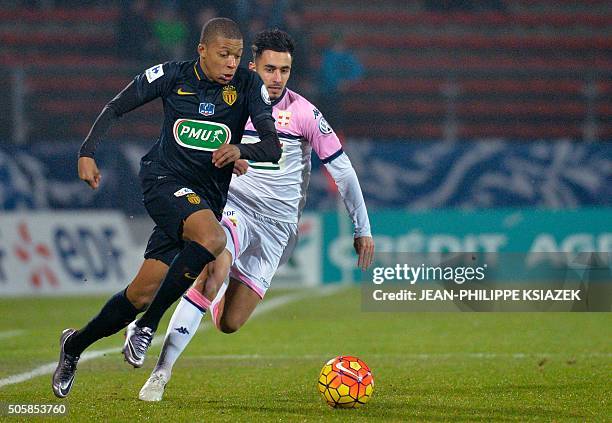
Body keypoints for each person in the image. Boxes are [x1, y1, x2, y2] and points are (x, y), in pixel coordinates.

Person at [137, 28, 375, 402]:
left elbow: (342, 170)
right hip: (235, 210)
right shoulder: (231, 105)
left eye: (284, 70)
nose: (277, 78)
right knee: (212, 272)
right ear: (252, 67)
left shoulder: (305, 113)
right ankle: (160, 373)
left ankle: (205, 298)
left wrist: (363, 228)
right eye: (269, 69)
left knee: (230, 323)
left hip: (278, 228)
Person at [52, 17, 282, 399]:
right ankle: (148, 327)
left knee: (140, 294)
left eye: (238, 56)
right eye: (224, 54)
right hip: (163, 181)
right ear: (202, 50)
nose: (231, 63)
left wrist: (243, 150)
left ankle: (73, 346)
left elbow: (271, 146)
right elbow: (116, 106)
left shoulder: (247, 85)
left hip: (204, 199)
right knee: (214, 238)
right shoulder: (171, 75)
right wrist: (87, 152)